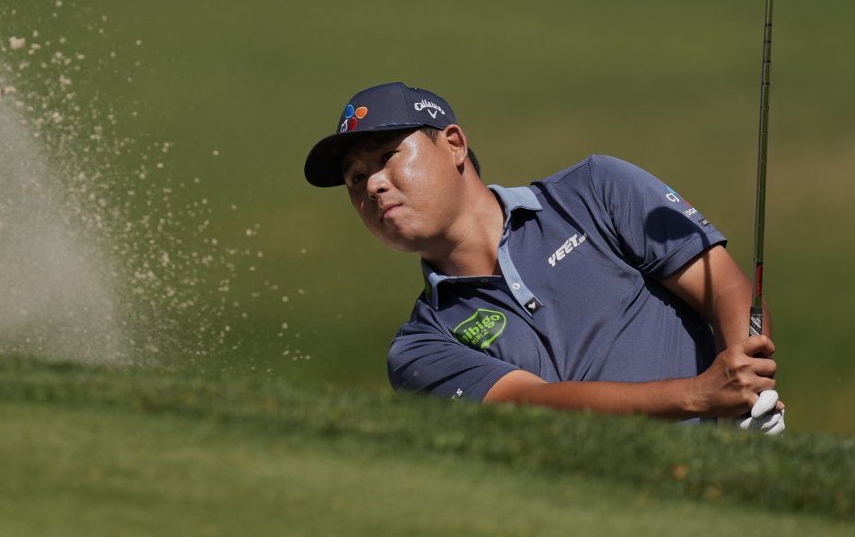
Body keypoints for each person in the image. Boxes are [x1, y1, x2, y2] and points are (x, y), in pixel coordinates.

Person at [304, 82, 785, 432]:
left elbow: (722, 284)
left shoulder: (596, 190)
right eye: (354, 179)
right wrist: (700, 395)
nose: (372, 185)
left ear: (453, 145)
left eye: (387, 156)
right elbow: (531, 406)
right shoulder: (420, 348)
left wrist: (749, 383)